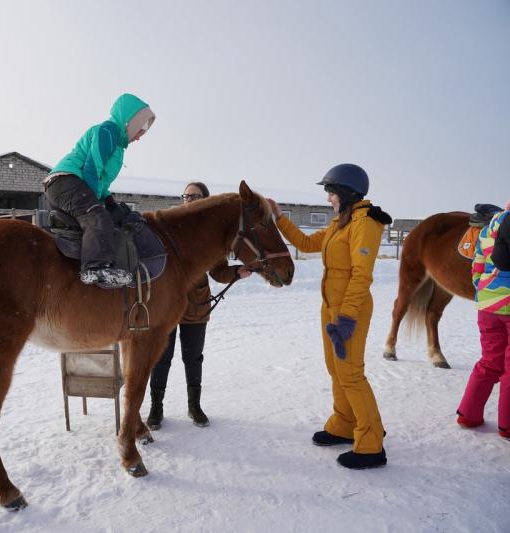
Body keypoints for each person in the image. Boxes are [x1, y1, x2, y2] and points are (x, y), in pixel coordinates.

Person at [268, 163, 392, 469]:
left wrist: (347, 317)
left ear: (346, 193)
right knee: (336, 370)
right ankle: (344, 423)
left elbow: (362, 275)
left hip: (351, 309)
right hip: (331, 307)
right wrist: (279, 218)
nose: (328, 199)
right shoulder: (342, 222)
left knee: (351, 373)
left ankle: (371, 443)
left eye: (331, 192)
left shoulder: (365, 223)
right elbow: (308, 243)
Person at [146, 182, 252, 430]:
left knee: (193, 358)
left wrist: (237, 271)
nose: (189, 200)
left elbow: (219, 272)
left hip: (196, 306)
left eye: (195, 196)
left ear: (206, 199)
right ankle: (155, 408)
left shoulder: (211, 236)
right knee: (161, 358)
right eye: (186, 196)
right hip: (164, 306)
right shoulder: (168, 227)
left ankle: (194, 406)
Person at [44, 93, 155, 288]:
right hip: (65, 181)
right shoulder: (108, 131)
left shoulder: (118, 149)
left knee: (109, 215)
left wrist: (110, 201)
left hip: (73, 185)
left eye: (145, 132)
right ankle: (94, 268)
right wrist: (98, 207)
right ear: (129, 121)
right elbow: (91, 169)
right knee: (97, 217)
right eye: (140, 128)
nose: (140, 136)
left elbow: (101, 180)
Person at [457, 197, 510, 440]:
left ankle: (468, 415)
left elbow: (477, 267)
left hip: (488, 307)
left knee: (489, 361)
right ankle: (507, 426)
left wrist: (484, 291)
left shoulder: (488, 228)